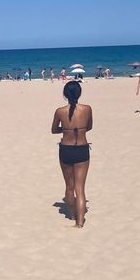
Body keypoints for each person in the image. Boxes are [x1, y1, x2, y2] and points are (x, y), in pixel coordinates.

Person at [51, 81, 93, 228]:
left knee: (69, 187)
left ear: (65, 95)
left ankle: (73, 214)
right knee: (80, 188)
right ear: (79, 93)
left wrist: (67, 130)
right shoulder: (87, 109)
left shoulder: (59, 111)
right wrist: (78, 130)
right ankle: (80, 223)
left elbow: (53, 130)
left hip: (66, 150)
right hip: (82, 149)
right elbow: (89, 126)